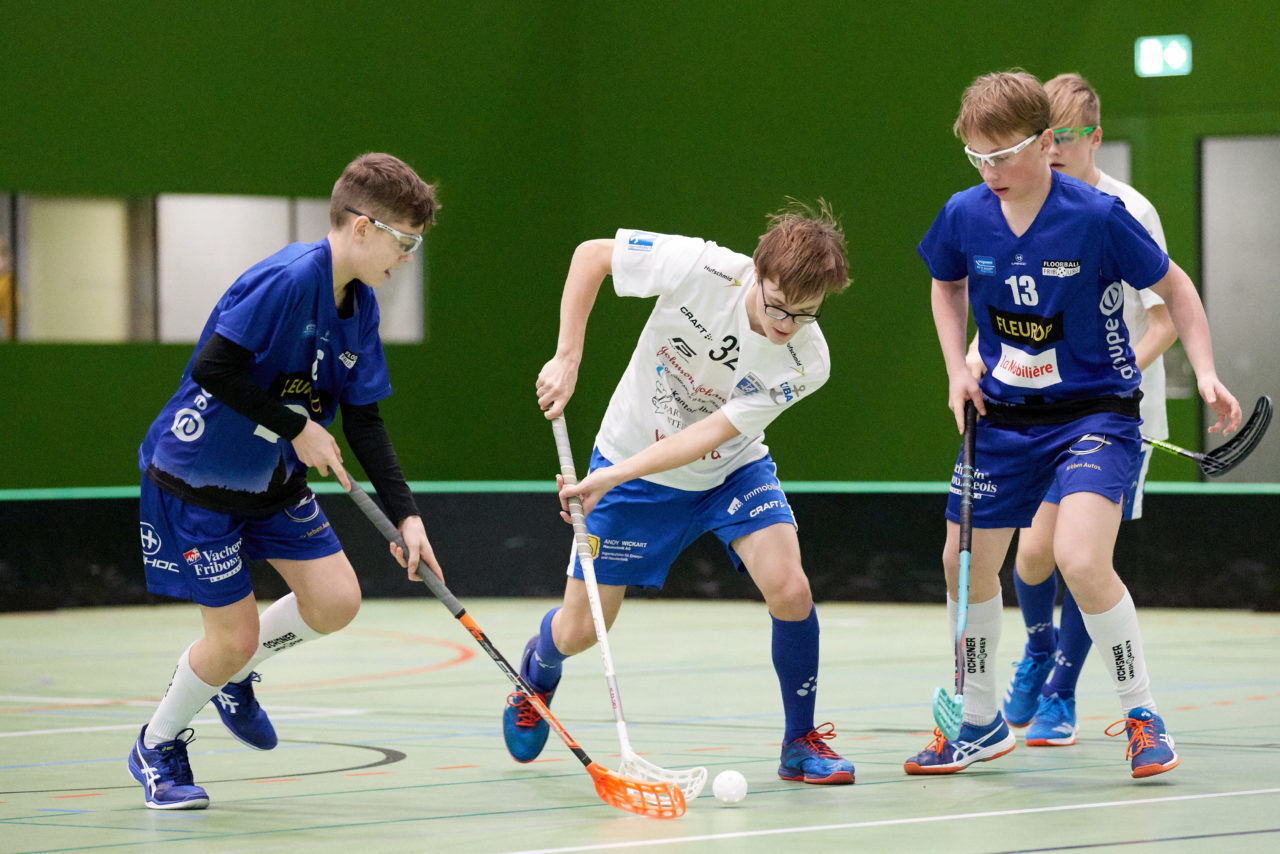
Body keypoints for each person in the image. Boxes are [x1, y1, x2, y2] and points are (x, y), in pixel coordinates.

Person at [906, 70, 1240, 779]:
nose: (991, 171)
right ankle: (979, 723)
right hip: (1002, 417)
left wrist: (1206, 371)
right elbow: (946, 283)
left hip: (1094, 414)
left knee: (1081, 560)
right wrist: (957, 369)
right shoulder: (965, 213)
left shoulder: (1098, 215)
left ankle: (1143, 717)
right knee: (963, 561)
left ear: (1044, 141)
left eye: (1003, 155)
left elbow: (1175, 288)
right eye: (977, 157)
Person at [130, 153, 443, 809]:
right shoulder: (288, 279)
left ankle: (235, 675)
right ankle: (156, 745)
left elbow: (364, 420)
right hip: (197, 480)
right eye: (405, 242)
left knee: (336, 601)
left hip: (273, 481)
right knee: (232, 637)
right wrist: (297, 427)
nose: (407, 258)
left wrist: (408, 516)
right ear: (363, 227)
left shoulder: (361, 306)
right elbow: (213, 368)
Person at [506, 202, 856, 785]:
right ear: (757, 273)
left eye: (804, 314)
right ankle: (538, 669)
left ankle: (800, 742)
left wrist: (607, 480)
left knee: (791, 588)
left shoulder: (807, 360)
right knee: (580, 631)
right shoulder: (700, 266)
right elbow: (592, 256)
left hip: (729, 470)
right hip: (632, 461)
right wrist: (568, 357)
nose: (786, 323)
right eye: (776, 305)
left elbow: (708, 435)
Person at [962, 74, 1179, 748]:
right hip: (1035, 417)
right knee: (1032, 557)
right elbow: (1005, 306)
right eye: (1045, 138)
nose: (1054, 150)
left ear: (1094, 137)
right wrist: (974, 360)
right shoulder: (1014, 204)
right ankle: (1039, 649)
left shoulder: (1124, 211)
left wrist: (1097, 383)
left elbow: (1166, 318)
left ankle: (1062, 692)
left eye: (1067, 137)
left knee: (1081, 559)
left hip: (1108, 415)